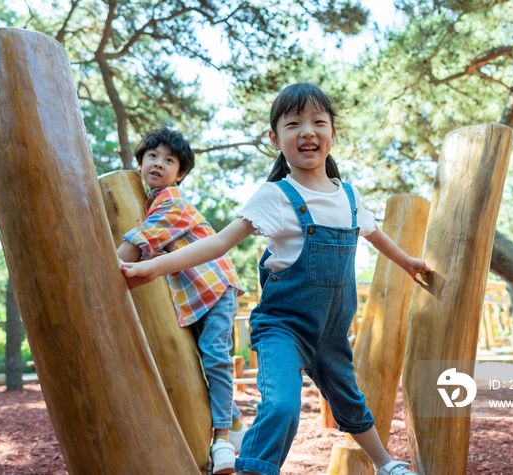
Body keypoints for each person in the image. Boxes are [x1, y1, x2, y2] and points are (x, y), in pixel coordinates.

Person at [121, 85, 430, 475]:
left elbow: (374, 233)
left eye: (318, 122)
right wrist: (151, 267)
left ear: (333, 133)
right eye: (294, 123)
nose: (307, 131)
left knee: (350, 401)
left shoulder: (349, 197)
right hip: (283, 328)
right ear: (274, 137)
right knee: (281, 405)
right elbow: (218, 243)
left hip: (331, 332)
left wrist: (407, 262)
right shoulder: (275, 196)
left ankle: (385, 464)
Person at [116, 127, 248, 475]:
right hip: (194, 298)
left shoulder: (171, 203)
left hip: (215, 289)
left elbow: (133, 246)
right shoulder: (150, 205)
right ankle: (236, 430)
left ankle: (221, 442)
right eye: (152, 156)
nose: (159, 163)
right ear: (140, 162)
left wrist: (102, 270)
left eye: (169, 160)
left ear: (181, 173)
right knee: (202, 362)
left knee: (215, 356)